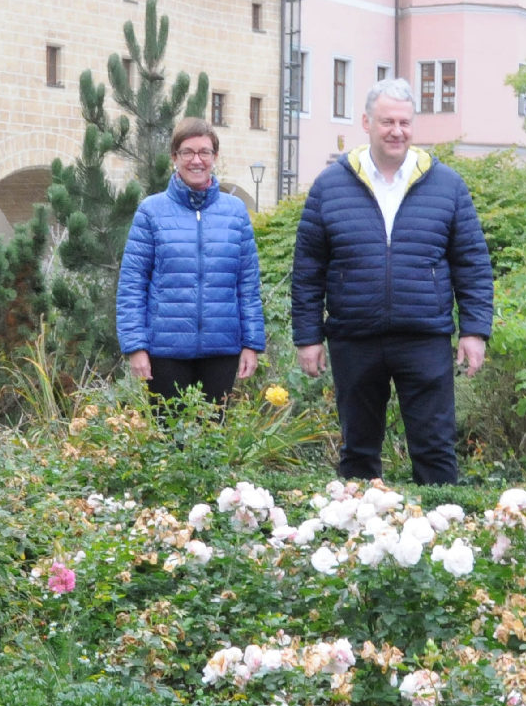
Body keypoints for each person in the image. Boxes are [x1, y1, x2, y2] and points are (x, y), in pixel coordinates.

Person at [290, 77, 492, 485]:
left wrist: (474, 330)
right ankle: (358, 539)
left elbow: (471, 261)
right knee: (358, 450)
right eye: (387, 122)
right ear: (366, 122)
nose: (396, 131)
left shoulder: (446, 184)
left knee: (435, 450)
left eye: (404, 122)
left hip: (424, 336)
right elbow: (308, 268)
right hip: (354, 337)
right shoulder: (330, 185)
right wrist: (307, 337)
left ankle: (445, 539)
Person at [117, 117, 265, 404]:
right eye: (187, 152)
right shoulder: (151, 212)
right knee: (169, 441)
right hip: (165, 352)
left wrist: (251, 343)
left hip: (221, 350)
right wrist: (136, 347)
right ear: (175, 157)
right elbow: (132, 286)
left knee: (214, 438)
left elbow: (247, 284)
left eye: (204, 152)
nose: (196, 160)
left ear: (215, 157)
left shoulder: (235, 213)